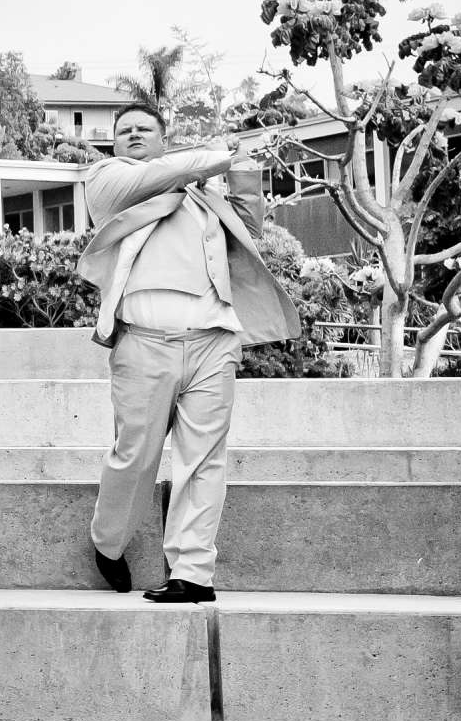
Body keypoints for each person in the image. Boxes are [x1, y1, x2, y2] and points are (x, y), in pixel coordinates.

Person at [80, 104, 298, 604]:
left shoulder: (203, 190)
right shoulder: (109, 179)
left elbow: (250, 224)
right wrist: (216, 155)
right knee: (134, 456)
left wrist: (243, 163)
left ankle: (192, 574)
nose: (134, 135)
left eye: (145, 129)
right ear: (114, 144)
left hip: (212, 342)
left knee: (203, 461)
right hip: (143, 343)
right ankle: (109, 541)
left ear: (164, 138)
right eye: (125, 131)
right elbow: (161, 177)